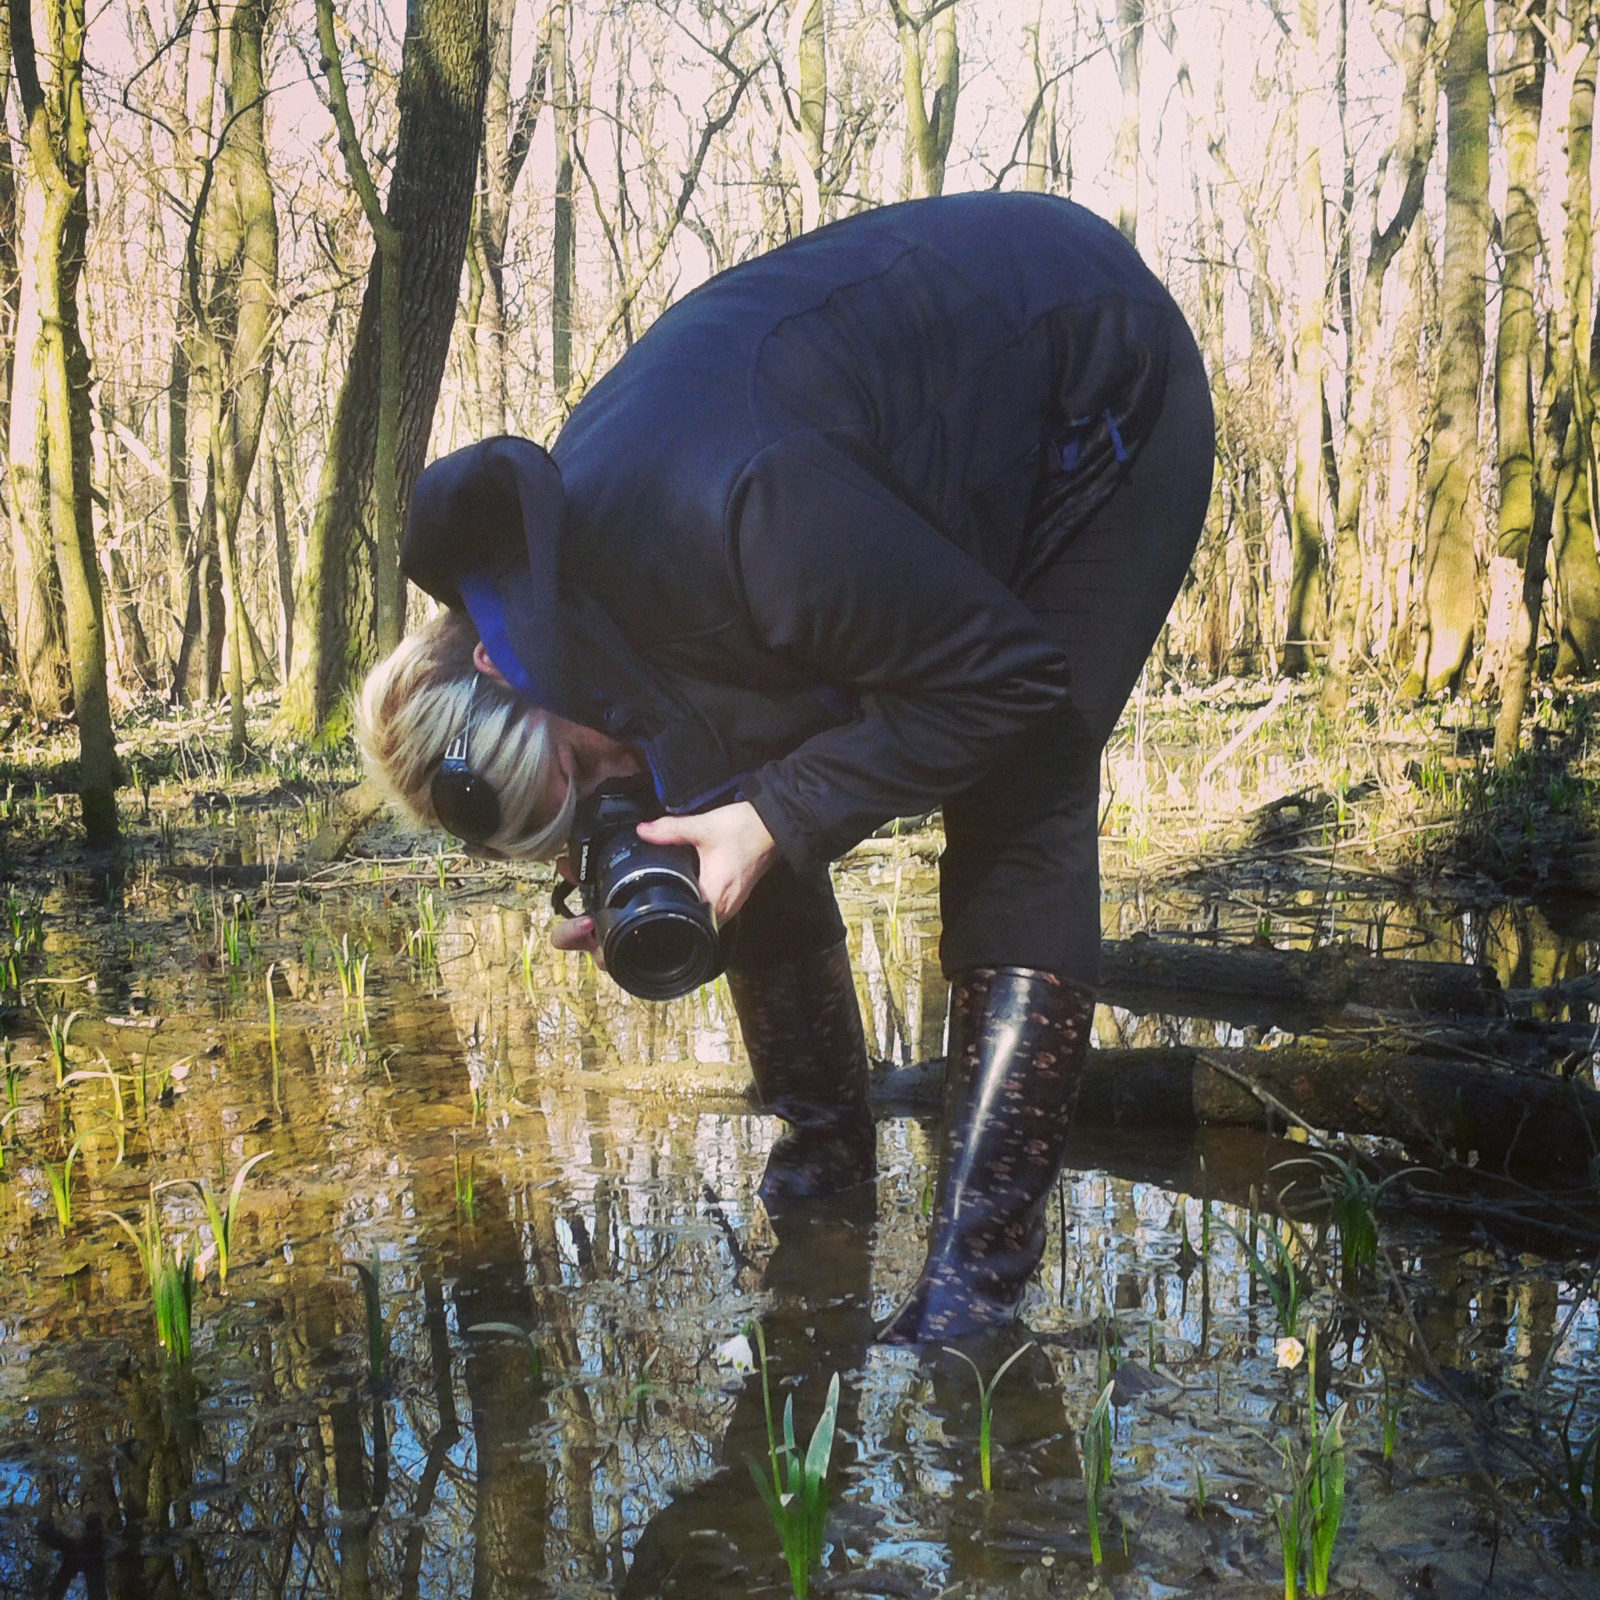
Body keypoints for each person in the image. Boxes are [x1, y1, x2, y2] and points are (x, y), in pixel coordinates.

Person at [357, 191, 1214, 1343]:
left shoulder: (746, 519)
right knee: (701, 807)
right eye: (567, 827)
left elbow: (1008, 684)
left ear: (517, 679)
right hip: (890, 469)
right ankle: (822, 1196)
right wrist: (652, 852)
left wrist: (775, 812)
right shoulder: (558, 597)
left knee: (1021, 794)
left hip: (1094, 390)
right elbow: (681, 783)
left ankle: (972, 1296)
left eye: (578, 775)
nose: (606, 793)